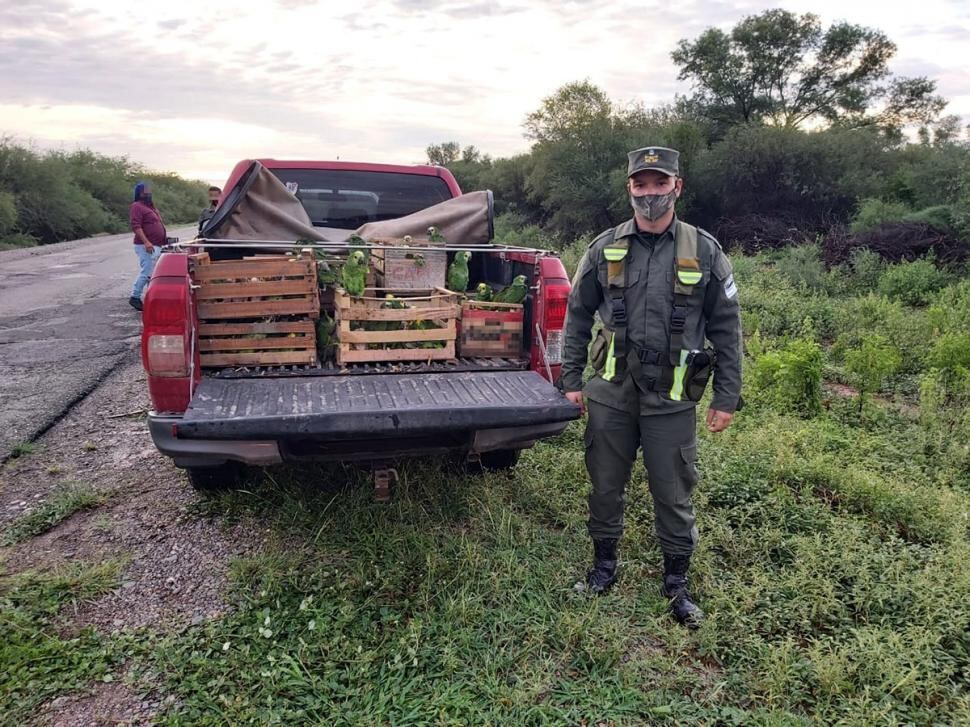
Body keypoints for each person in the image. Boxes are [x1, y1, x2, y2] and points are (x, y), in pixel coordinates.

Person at [560, 146, 742, 628]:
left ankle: (677, 584)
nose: (650, 194)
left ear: (677, 186)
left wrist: (727, 397)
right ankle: (603, 568)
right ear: (630, 190)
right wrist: (571, 380)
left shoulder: (704, 250)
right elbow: (576, 315)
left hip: (673, 396)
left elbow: (727, 326)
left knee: (674, 491)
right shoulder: (604, 247)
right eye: (641, 185)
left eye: (659, 184)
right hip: (611, 394)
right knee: (604, 486)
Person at [128, 181, 167, 311]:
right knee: (147, 272)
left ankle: (153, 298)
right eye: (145, 191)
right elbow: (136, 226)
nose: (148, 193)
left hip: (157, 244)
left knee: (154, 273)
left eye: (149, 191)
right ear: (140, 193)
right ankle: (135, 296)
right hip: (146, 245)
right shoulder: (137, 206)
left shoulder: (151, 207)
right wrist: (146, 242)